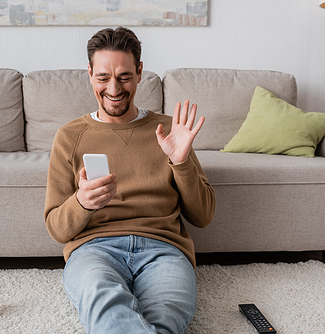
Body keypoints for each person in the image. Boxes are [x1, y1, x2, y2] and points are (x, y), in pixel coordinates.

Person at [44, 26, 216, 334]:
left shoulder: (169, 130)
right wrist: (82, 202)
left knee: (165, 318)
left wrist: (180, 161)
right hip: (94, 250)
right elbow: (57, 228)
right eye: (103, 77)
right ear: (89, 73)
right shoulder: (70, 137)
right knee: (104, 302)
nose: (114, 88)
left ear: (139, 72)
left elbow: (203, 216)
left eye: (124, 76)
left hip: (164, 249)